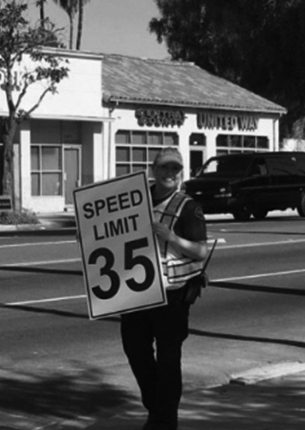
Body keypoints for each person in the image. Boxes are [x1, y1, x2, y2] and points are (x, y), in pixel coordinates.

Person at [120, 147, 208, 430]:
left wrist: (172, 238)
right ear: (153, 170)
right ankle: (157, 408)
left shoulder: (187, 207)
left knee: (169, 360)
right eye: (164, 168)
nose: (169, 174)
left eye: (175, 169)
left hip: (173, 295)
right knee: (136, 351)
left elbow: (201, 252)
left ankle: (163, 421)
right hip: (136, 292)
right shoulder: (133, 200)